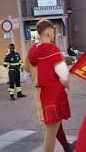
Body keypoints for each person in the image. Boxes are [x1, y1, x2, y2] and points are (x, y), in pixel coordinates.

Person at [24, 20, 75, 152]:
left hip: (40, 95)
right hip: (54, 95)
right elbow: (64, 76)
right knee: (51, 130)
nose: (53, 35)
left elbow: (26, 70)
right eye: (52, 32)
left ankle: (67, 147)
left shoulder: (32, 50)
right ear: (47, 32)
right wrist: (67, 85)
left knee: (56, 124)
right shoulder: (52, 50)